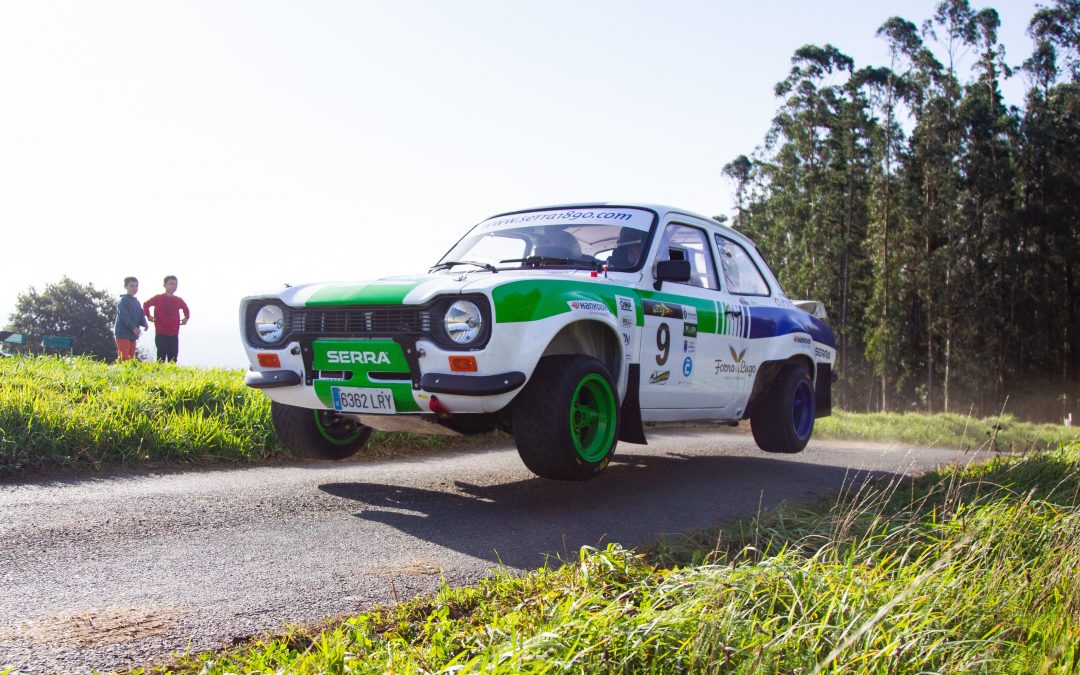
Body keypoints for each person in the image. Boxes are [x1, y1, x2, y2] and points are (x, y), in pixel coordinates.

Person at [142, 275, 190, 363]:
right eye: (171, 284)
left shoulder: (178, 300)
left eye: (175, 284)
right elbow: (146, 305)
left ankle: (172, 375)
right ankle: (159, 374)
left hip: (174, 334)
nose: (174, 286)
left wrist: (186, 318)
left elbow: (186, 309)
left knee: (173, 358)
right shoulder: (158, 298)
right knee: (161, 356)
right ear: (164, 285)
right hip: (161, 333)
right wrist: (148, 316)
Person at [113, 277, 147, 362]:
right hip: (123, 333)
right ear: (125, 286)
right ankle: (120, 371)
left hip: (132, 334)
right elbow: (124, 316)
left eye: (136, 286)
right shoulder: (123, 301)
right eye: (132, 286)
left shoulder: (137, 302)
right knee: (123, 356)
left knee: (131, 357)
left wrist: (144, 323)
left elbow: (140, 314)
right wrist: (133, 327)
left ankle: (128, 373)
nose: (134, 288)